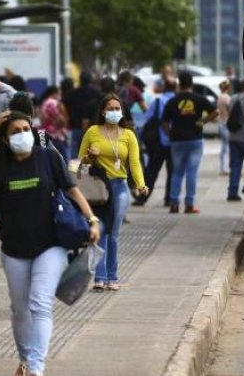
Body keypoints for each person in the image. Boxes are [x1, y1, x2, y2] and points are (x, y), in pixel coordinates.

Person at [0, 111, 100, 376]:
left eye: (26, 128)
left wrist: (91, 218)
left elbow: (72, 188)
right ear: (5, 138)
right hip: (14, 250)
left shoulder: (48, 157)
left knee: (40, 303)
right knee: (20, 309)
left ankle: (36, 368)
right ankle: (25, 360)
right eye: (14, 131)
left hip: (51, 245)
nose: (22, 134)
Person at [79, 94, 147, 291]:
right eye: (111, 109)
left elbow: (134, 163)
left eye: (118, 109)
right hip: (99, 189)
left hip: (119, 187)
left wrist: (141, 184)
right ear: (103, 111)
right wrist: (89, 158)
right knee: (100, 232)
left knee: (113, 233)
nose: (115, 112)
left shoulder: (128, 135)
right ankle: (99, 278)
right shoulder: (93, 131)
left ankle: (112, 276)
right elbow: (78, 165)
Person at [161, 72, 219, 214]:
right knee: (192, 172)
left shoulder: (173, 101)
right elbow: (215, 111)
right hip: (195, 140)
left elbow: (164, 121)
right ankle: (189, 204)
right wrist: (202, 121)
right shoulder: (199, 98)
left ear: (179, 84)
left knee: (177, 172)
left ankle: (174, 204)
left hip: (177, 141)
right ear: (192, 84)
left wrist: (170, 134)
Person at [134, 77, 177, 207]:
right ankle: (169, 198)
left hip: (158, 142)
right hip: (174, 141)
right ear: (175, 88)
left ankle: (142, 198)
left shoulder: (158, 101)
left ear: (164, 87)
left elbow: (147, 117)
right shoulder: (177, 101)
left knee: (152, 170)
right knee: (173, 171)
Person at [62, 70, 101, 158]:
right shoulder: (96, 93)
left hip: (76, 127)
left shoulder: (72, 93)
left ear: (80, 80)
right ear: (91, 80)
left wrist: (67, 118)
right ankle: (86, 171)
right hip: (92, 129)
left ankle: (74, 171)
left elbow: (62, 104)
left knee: (75, 155)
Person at [38, 85, 70, 161]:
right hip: (56, 137)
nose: (60, 96)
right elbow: (60, 121)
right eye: (59, 94)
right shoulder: (52, 103)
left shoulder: (44, 103)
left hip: (45, 135)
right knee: (62, 162)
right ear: (54, 93)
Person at [217, 80, 232, 176]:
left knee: (224, 146)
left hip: (221, 122)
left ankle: (222, 167)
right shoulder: (227, 98)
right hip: (227, 123)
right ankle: (226, 168)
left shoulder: (219, 97)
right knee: (228, 147)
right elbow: (230, 109)